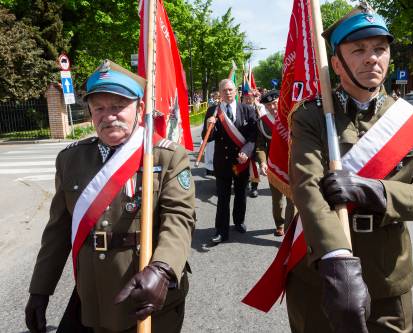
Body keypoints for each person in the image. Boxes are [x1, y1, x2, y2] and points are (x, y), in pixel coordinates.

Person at [286, 6, 413, 333]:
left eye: (380, 49)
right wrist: (336, 259)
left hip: (388, 279)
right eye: (359, 50)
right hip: (325, 277)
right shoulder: (312, 117)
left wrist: (372, 190)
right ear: (336, 64)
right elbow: (309, 190)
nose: (372, 58)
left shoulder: (407, 121)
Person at [25, 60, 196, 333]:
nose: (108, 116)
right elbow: (58, 230)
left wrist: (163, 268)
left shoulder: (166, 156)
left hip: (148, 294)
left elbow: (179, 218)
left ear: (139, 109)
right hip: (93, 297)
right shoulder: (71, 159)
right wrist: (40, 290)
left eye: (118, 106)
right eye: (99, 108)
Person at [202, 79, 257, 244]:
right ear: (220, 92)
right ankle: (221, 230)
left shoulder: (247, 110)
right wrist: (208, 125)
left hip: (241, 160)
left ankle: (239, 221)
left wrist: (246, 152)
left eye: (231, 89)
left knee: (241, 194)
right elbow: (208, 138)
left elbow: (253, 136)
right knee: (223, 198)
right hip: (223, 162)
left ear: (236, 91)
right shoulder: (213, 111)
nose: (228, 93)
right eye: (225, 90)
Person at [255, 90, 295, 236]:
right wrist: (263, 163)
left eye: (274, 104)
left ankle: (290, 228)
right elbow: (260, 146)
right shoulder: (262, 123)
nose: (272, 107)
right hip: (274, 166)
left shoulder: (291, 117)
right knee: (277, 201)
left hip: (292, 164)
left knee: (293, 200)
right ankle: (279, 223)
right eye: (268, 105)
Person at [241, 90, 261, 198]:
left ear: (254, 98)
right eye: (246, 98)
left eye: (250, 98)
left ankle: (254, 187)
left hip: (255, 142)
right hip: (242, 141)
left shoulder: (259, 109)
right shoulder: (239, 109)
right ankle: (245, 183)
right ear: (242, 98)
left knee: (254, 166)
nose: (248, 100)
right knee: (242, 164)